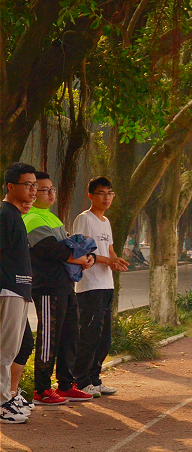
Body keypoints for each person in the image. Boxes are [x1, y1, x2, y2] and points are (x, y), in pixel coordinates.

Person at [24, 172, 96, 405]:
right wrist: (81, 258)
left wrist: (88, 257)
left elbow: (69, 246)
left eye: (51, 189)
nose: (50, 193)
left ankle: (65, 385)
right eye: (44, 190)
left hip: (65, 285)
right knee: (49, 338)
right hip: (47, 288)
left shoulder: (52, 218)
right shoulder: (32, 218)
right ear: (32, 193)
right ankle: (42, 389)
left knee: (69, 336)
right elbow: (53, 250)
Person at [72, 176, 129, 397]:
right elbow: (81, 251)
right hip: (89, 286)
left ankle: (95, 379)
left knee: (104, 338)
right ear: (91, 196)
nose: (106, 198)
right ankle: (80, 381)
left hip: (106, 284)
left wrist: (116, 261)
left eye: (109, 193)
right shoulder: (84, 219)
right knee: (89, 335)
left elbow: (110, 249)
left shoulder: (106, 222)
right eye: (101, 193)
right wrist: (107, 260)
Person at [1, 163, 37, 423]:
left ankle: (6, 397)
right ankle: (3, 402)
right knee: (5, 351)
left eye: (35, 185)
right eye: (28, 185)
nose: (33, 190)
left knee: (12, 349)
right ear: (11, 186)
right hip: (8, 290)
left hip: (18, 290)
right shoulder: (5, 215)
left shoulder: (14, 215)